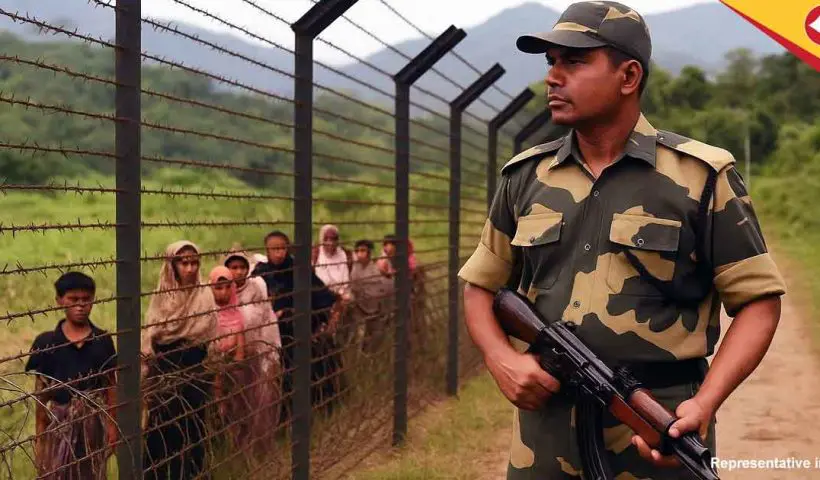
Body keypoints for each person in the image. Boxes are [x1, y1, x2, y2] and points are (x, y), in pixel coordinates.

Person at [458, 2, 787, 479]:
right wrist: (501, 358)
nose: (553, 77)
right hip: (543, 438)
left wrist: (705, 403)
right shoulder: (526, 176)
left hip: (659, 427)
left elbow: (759, 301)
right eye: (551, 62)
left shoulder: (701, 176)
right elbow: (480, 287)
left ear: (628, 76)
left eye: (573, 61)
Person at [25, 271, 117, 480]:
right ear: (59, 301)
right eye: (73, 299)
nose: (80, 305)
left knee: (91, 472)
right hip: (58, 423)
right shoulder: (46, 342)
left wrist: (112, 426)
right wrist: (40, 433)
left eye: (86, 299)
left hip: (92, 423)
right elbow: (41, 392)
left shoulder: (102, 340)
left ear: (93, 300)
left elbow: (111, 385)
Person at [141, 241, 218, 480]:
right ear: (172, 265)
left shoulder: (204, 295)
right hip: (164, 375)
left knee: (192, 429)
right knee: (162, 431)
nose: (191, 268)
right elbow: (151, 334)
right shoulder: (162, 297)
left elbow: (209, 334)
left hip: (194, 373)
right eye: (184, 263)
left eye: (194, 262)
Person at [252, 231, 345, 418]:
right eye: (274, 249)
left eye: (282, 248)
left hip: (302, 332)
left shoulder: (299, 270)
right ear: (267, 251)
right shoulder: (261, 274)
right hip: (273, 336)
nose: (279, 253)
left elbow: (322, 297)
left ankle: (311, 413)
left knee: (309, 373)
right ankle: (282, 419)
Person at [223, 250, 283, 447]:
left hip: (259, 355)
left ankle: (260, 446)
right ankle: (238, 448)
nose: (238, 272)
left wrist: (271, 354)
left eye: (242, 267)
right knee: (236, 404)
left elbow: (269, 322)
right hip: (234, 360)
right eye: (234, 268)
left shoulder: (257, 290)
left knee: (260, 401)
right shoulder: (221, 293)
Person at [350, 240, 392, 354]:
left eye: (363, 250)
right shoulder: (354, 266)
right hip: (358, 306)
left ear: (369, 252)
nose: (360, 253)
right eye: (357, 251)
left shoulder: (376, 268)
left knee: (377, 334)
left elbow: (382, 289)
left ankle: (369, 355)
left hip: (375, 307)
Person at [312, 224, 353, 303]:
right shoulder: (315, 255)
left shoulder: (344, 255)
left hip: (342, 298)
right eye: (326, 239)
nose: (330, 243)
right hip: (320, 298)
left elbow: (347, 282)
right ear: (322, 239)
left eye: (334, 239)